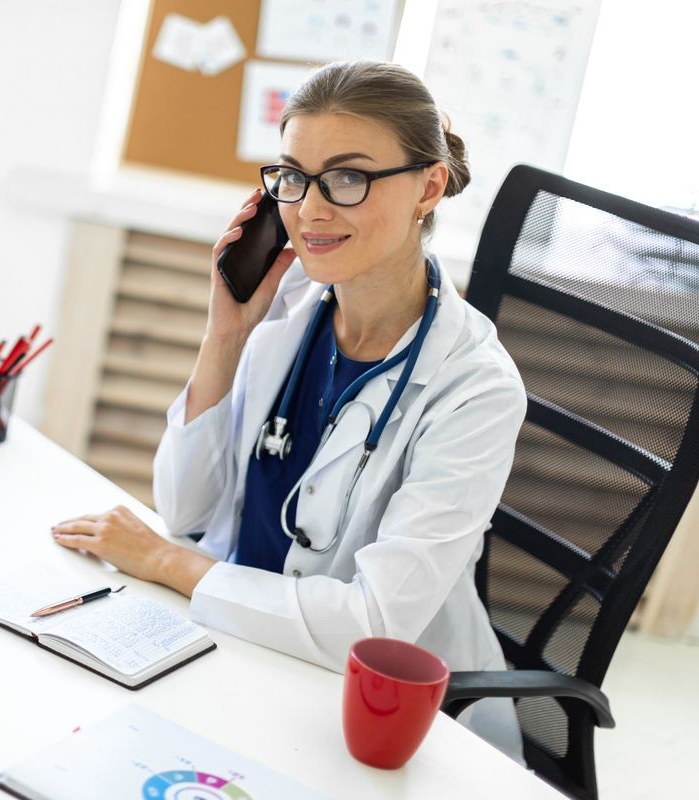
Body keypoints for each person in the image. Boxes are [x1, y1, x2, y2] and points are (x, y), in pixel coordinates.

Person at [51, 61, 526, 760]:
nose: (309, 211)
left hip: (380, 722)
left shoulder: (475, 389)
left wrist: (164, 563)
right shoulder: (286, 312)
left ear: (428, 186)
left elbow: (372, 627)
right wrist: (226, 335)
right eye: (294, 176)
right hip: (242, 650)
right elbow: (185, 511)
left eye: (348, 177)